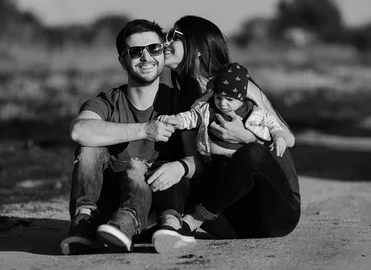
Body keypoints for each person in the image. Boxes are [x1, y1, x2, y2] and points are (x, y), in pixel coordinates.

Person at [60, 19, 200, 255]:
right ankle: (84, 225)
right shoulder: (106, 102)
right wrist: (145, 130)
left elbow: (201, 160)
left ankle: (138, 225)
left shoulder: (180, 103)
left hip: (159, 201)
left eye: (154, 49)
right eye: (135, 52)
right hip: (109, 200)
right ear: (122, 60)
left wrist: (182, 166)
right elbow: (79, 131)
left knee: (139, 169)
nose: (146, 57)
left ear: (163, 54)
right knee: (89, 146)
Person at [159, 15, 301, 248]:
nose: (166, 42)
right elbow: (198, 164)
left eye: (174, 36)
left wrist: (248, 137)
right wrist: (179, 166)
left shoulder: (238, 87)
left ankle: (191, 221)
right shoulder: (187, 104)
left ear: (197, 47)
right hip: (232, 221)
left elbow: (289, 138)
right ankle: (157, 225)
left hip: (277, 212)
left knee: (252, 153)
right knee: (171, 169)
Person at [158, 62, 289, 159]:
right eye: (218, 97)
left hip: (242, 157)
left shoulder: (253, 110)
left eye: (229, 100)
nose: (222, 103)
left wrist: (279, 137)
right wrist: (175, 120)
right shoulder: (209, 108)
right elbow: (191, 117)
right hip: (214, 158)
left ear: (242, 98)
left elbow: (272, 123)